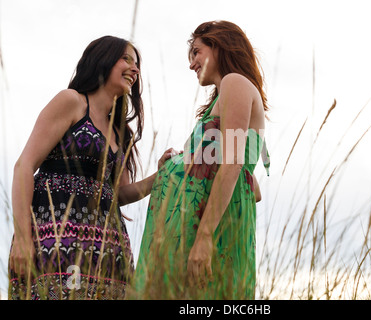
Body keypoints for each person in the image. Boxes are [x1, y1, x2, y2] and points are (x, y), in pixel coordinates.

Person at [8, 35, 174, 300]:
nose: (135, 69)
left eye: (137, 64)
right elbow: (24, 166)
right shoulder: (71, 101)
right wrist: (23, 237)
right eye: (126, 59)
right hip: (55, 239)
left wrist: (160, 175)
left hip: (108, 251)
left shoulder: (121, 132)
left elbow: (120, 194)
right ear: (103, 60)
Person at [133, 20, 270, 299]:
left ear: (218, 46)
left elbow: (234, 166)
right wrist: (180, 163)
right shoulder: (223, 97)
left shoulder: (235, 83)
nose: (192, 63)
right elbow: (250, 184)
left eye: (196, 52)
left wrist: (205, 236)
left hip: (209, 227)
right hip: (195, 222)